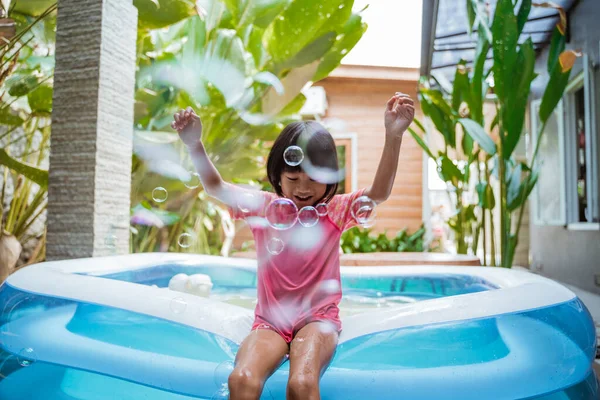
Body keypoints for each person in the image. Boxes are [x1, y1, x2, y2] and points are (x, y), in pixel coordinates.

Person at [172, 92, 415, 400]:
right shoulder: (263, 207)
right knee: (242, 378)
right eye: (293, 175)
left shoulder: (336, 210)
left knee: (301, 383)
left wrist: (393, 135)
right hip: (271, 324)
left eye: (314, 177)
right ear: (278, 175)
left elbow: (378, 193)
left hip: (318, 321)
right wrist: (194, 145)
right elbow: (216, 187)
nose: (303, 187)